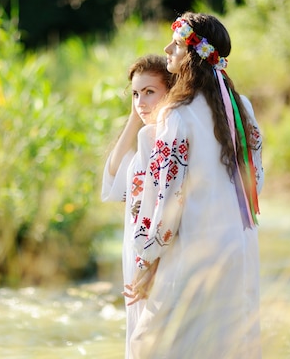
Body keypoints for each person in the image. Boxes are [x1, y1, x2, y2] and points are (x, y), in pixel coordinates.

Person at [123, 12, 265, 358]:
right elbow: (255, 180)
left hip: (193, 252)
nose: (167, 48)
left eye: (177, 43)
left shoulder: (177, 114)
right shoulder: (241, 106)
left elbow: (166, 197)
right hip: (239, 248)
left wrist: (146, 258)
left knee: (158, 346)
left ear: (194, 53)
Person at [101, 54, 175, 359]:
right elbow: (114, 177)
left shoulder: (170, 141)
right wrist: (136, 116)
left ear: (170, 92)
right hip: (135, 260)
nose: (140, 101)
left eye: (149, 92)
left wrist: (152, 267)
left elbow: (170, 210)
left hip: (158, 262)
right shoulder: (145, 139)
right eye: (135, 93)